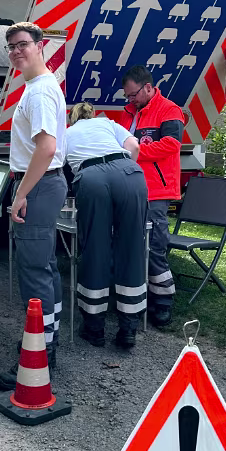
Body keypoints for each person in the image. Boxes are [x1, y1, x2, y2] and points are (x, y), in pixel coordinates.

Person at [0, 22, 67, 391]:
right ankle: (46, 341)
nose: (16, 52)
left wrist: (21, 193)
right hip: (44, 183)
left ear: (40, 45)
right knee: (46, 267)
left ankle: (40, 353)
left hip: (38, 185)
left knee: (35, 271)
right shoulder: (40, 86)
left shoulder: (39, 92)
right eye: (11, 47)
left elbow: (47, 148)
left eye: (22, 44)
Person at [65, 103, 148, 349]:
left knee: (95, 248)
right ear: (92, 114)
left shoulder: (67, 133)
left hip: (92, 178)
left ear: (72, 119)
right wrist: (123, 172)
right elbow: (134, 147)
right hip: (129, 172)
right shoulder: (108, 123)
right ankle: (128, 329)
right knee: (132, 248)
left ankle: (94, 328)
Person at [120, 65, 185, 327]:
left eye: (133, 94)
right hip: (132, 188)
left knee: (155, 247)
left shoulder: (169, 110)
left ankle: (163, 302)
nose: (130, 100)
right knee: (133, 246)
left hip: (156, 191)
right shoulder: (128, 113)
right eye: (127, 96)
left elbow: (171, 145)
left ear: (148, 87)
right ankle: (138, 298)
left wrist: (134, 152)